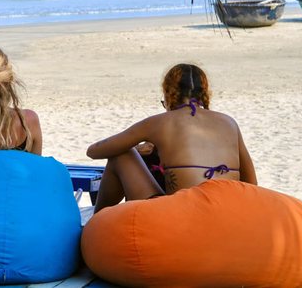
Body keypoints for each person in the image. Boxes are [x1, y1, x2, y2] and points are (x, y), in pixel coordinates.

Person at [86, 62, 257, 212]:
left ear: (169, 95)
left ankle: (98, 222)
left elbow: (94, 151)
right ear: (205, 93)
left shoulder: (159, 123)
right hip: (227, 213)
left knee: (122, 154)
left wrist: (136, 149)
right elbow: (251, 184)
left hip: (180, 218)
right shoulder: (229, 123)